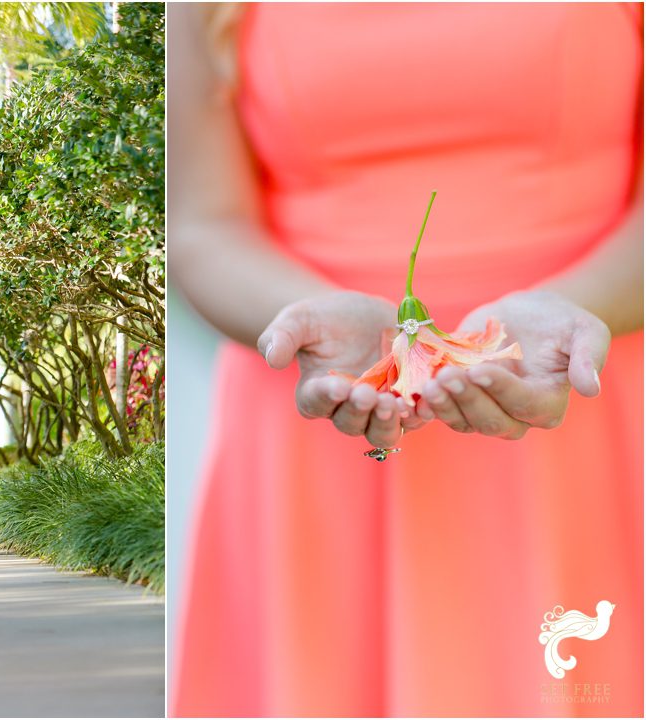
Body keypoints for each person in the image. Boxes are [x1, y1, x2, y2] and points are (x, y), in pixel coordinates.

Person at [169, 3, 642, 717]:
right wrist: (304, 316)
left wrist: (583, 307)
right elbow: (202, 224)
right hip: (322, 406)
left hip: (585, 392)